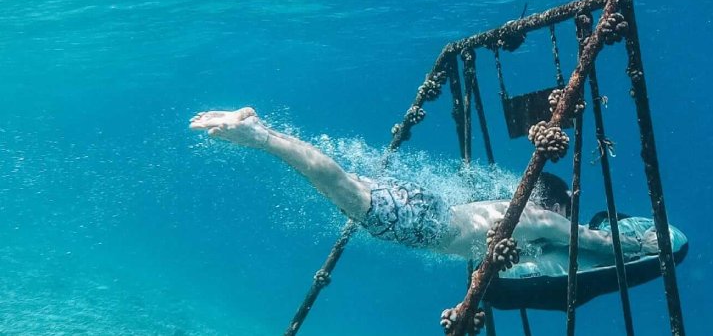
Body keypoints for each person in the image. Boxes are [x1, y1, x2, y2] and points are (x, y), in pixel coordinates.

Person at [188, 107, 660, 266]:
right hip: (426, 223)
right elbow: (586, 240)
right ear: (551, 203)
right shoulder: (538, 218)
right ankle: (261, 136)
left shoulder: (507, 212)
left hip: (427, 208)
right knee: (341, 188)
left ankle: (264, 132)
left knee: (345, 184)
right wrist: (637, 245)